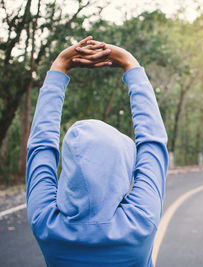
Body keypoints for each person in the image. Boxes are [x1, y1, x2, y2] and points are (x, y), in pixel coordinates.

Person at [26, 36, 168, 267]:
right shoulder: (140, 220)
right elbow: (153, 141)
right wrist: (129, 63)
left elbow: (40, 147)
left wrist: (59, 65)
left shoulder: (46, 224)